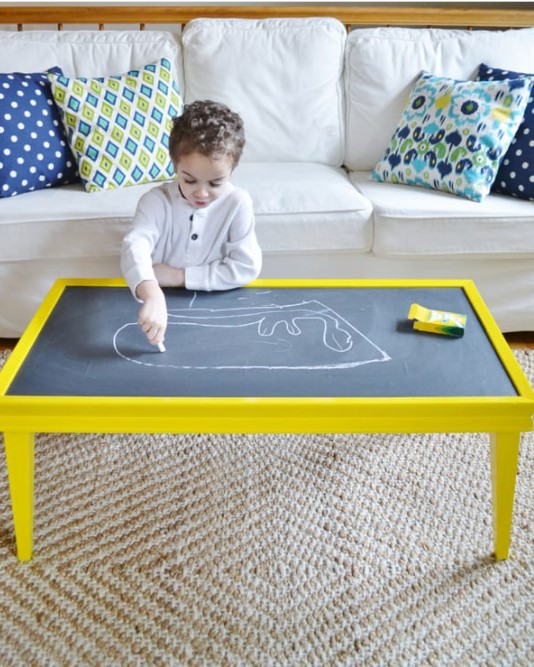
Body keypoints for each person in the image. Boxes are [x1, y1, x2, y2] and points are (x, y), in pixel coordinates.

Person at [121, 99, 262, 347]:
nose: (202, 193)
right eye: (190, 180)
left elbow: (246, 268)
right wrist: (152, 293)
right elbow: (135, 247)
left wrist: (178, 276)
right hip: (159, 302)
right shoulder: (156, 202)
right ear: (175, 165)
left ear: (233, 170)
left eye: (215, 183)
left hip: (218, 308)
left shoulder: (238, 203)